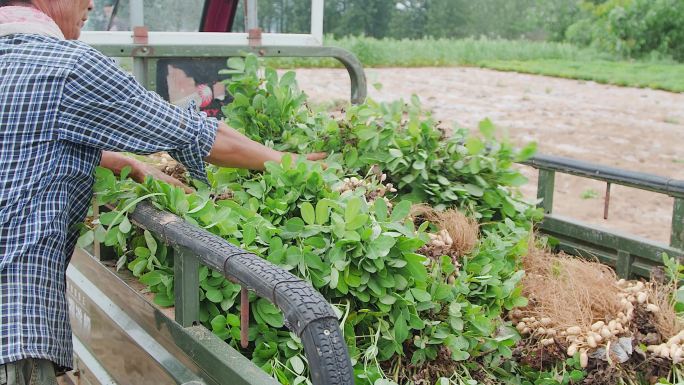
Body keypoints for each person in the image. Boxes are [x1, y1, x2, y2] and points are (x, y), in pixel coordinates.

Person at [0, 1, 324, 384]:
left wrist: (111, 158)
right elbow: (198, 133)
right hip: (11, 325)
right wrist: (291, 162)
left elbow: (17, 133)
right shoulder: (67, 67)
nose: (90, 3)